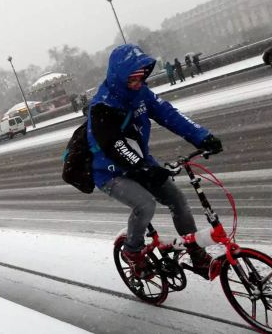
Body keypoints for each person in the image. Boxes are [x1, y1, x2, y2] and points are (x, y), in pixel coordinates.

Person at [86, 44, 223, 278]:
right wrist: (144, 168)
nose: (138, 83)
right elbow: (114, 145)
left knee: (177, 201)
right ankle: (132, 250)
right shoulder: (102, 106)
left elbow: (169, 114)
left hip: (142, 162)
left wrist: (202, 136)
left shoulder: (141, 94)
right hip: (110, 171)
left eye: (141, 77)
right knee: (145, 204)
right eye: (133, 79)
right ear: (119, 76)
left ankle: (196, 254)